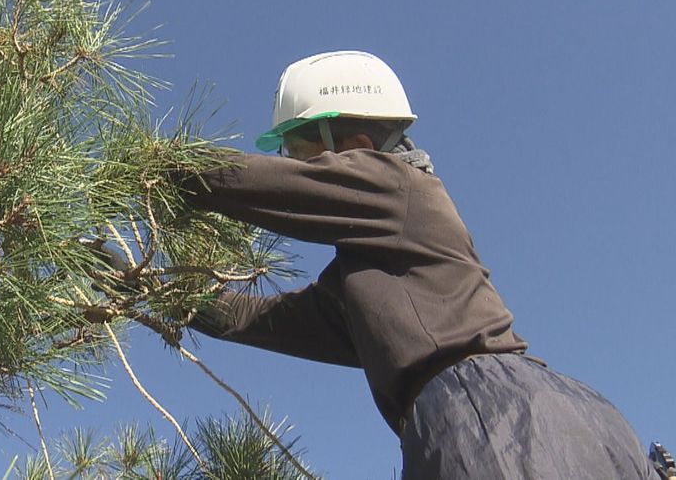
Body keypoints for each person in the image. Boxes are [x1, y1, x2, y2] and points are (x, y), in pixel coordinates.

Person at [180, 50, 651, 479]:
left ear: (357, 144)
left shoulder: (399, 184)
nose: (293, 168)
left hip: (494, 412)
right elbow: (255, 319)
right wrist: (155, 293)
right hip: (546, 419)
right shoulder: (363, 284)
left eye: (302, 155)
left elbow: (248, 182)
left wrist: (155, 168)